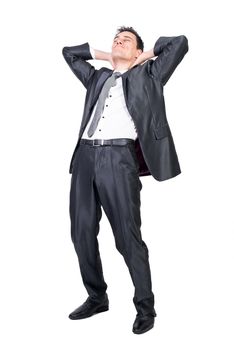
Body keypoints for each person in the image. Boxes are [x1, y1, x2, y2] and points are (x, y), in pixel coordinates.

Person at [62, 26, 188, 334]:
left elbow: (179, 43)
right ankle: (97, 297)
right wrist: (110, 56)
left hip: (120, 160)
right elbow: (69, 53)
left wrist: (140, 58)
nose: (118, 41)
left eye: (126, 40)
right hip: (85, 159)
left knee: (127, 238)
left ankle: (145, 306)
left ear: (137, 51)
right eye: (116, 39)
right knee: (81, 233)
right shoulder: (97, 78)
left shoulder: (150, 76)